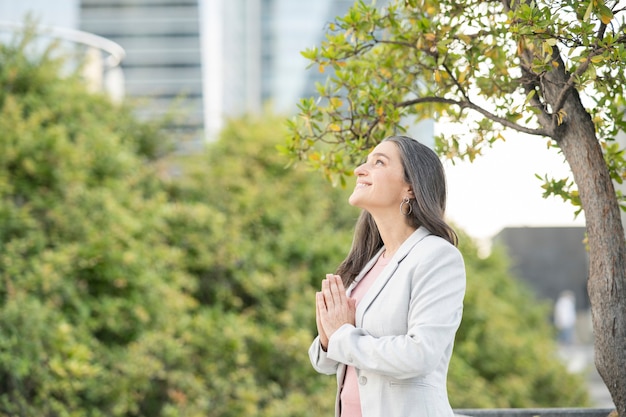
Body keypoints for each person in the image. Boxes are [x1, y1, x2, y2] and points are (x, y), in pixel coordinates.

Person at [309, 135, 466, 417]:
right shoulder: (369, 263)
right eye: (365, 161)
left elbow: (420, 354)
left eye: (378, 162)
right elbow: (328, 363)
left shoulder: (437, 256)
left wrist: (341, 336)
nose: (360, 169)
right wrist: (326, 338)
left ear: (410, 188)